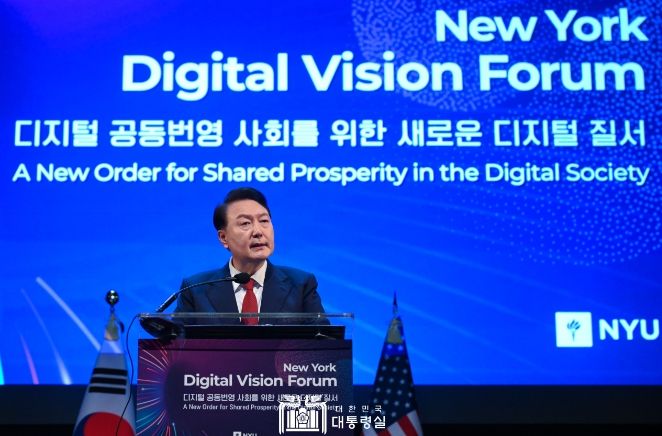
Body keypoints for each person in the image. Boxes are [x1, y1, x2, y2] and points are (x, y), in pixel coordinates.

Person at [174, 187, 326, 320]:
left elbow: (323, 340)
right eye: (245, 223)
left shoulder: (301, 285)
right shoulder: (195, 290)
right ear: (223, 237)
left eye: (264, 221)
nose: (258, 231)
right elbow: (176, 342)